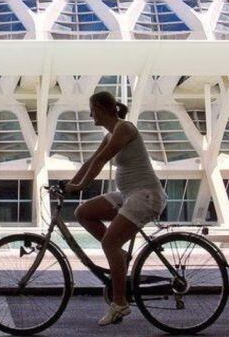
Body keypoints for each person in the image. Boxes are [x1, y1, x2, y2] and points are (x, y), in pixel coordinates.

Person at [65, 91, 166, 327]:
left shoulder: (125, 129)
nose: (90, 115)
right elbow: (91, 161)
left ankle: (119, 303)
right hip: (128, 195)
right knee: (83, 213)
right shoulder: (110, 134)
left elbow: (101, 162)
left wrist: (80, 185)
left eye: (91, 110)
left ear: (100, 108)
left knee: (109, 242)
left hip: (145, 195)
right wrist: (68, 185)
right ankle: (120, 257)